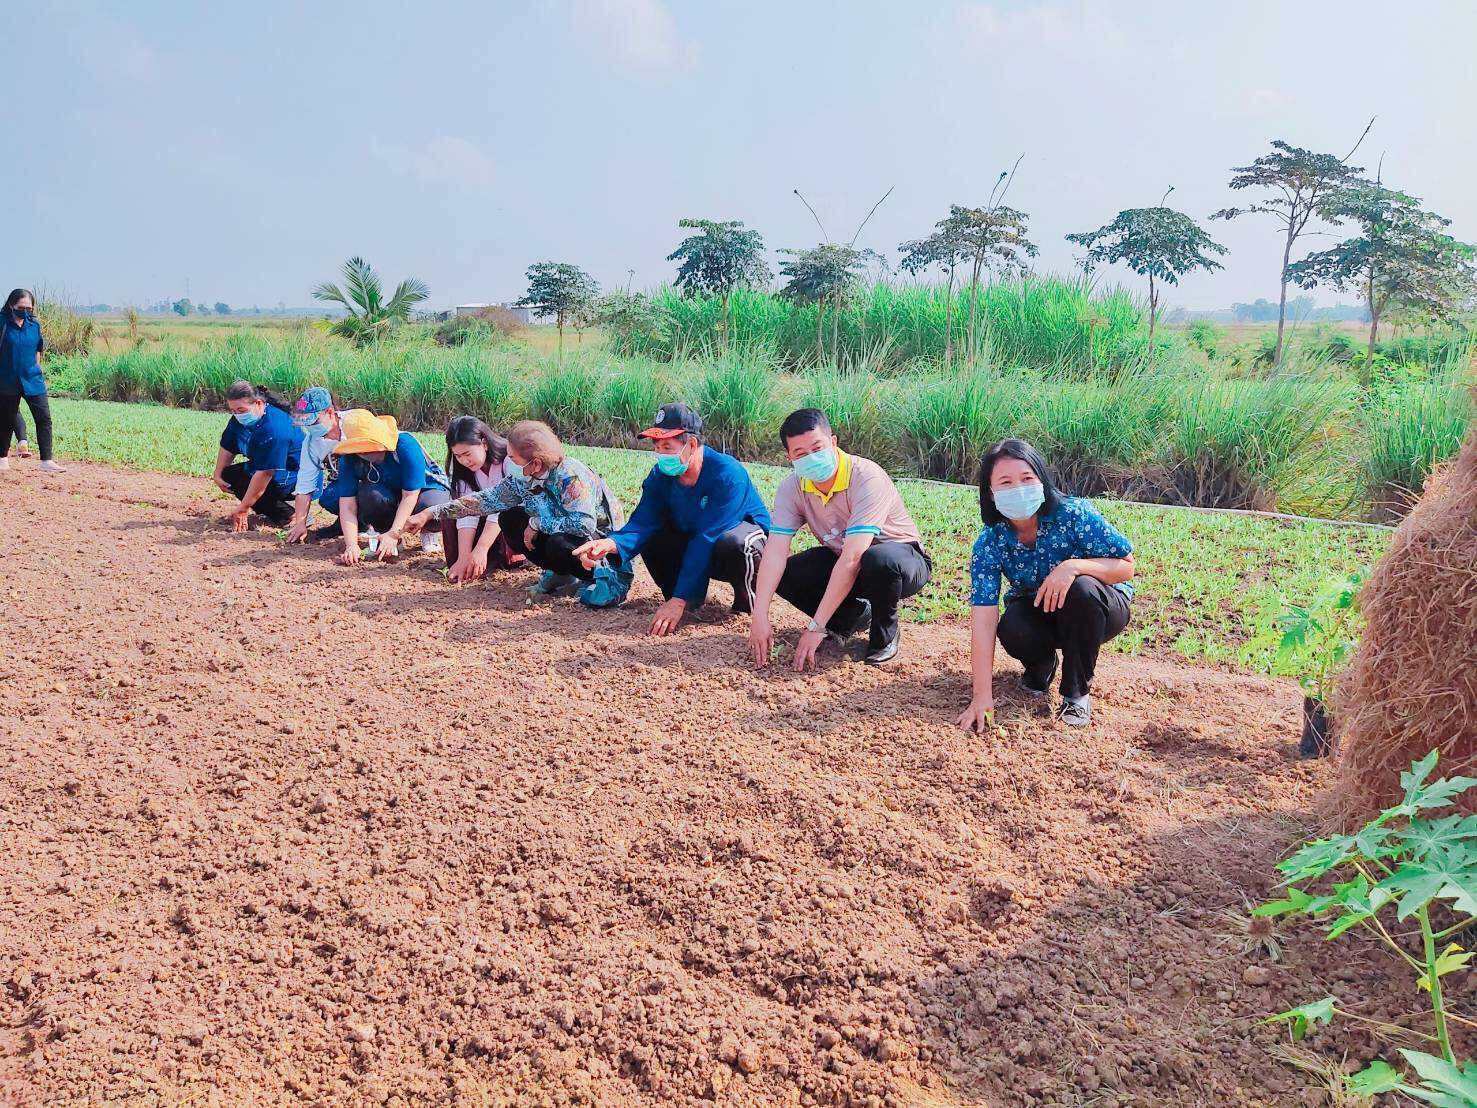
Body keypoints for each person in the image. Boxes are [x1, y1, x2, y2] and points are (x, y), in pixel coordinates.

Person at [955, 438, 1135, 732]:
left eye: (1027, 478)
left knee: (1082, 589)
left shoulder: (1074, 514)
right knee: (1012, 623)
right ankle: (1040, 665)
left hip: (1097, 607)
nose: (1018, 488)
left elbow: (1127, 566)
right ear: (991, 492)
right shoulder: (990, 541)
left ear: (1041, 479)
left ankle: (1076, 695)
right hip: (1039, 607)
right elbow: (984, 616)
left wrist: (1073, 567)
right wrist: (981, 696)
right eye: (1006, 482)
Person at [749, 408, 932, 669]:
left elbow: (854, 556)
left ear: (833, 442)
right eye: (800, 454)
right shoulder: (792, 488)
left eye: (817, 447)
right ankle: (851, 618)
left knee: (877, 559)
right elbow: (775, 551)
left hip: (899, 561)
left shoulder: (866, 477)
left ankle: (884, 636)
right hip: (844, 559)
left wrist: (815, 626)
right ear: (789, 457)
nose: (811, 458)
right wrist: (759, 614)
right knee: (787, 573)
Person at [572, 403, 770, 633]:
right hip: (698, 539)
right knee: (654, 535)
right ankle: (686, 600)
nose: (661, 454)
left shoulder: (727, 474)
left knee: (733, 544)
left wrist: (680, 598)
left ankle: (747, 603)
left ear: (692, 444)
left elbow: (708, 536)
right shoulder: (661, 476)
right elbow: (644, 521)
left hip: (740, 547)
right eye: (657, 446)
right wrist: (611, 543)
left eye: (667, 446)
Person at [405, 420, 621, 600]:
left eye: (514, 458)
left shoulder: (570, 477)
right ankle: (561, 574)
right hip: (565, 533)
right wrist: (429, 513)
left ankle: (594, 577)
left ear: (536, 463)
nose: (508, 461)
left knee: (558, 542)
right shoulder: (523, 479)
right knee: (511, 519)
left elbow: (584, 524)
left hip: (598, 540)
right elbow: (481, 502)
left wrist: (537, 524)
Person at [323, 410, 452, 565]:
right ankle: (385, 533)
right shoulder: (349, 459)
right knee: (368, 495)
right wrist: (351, 545)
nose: (366, 452)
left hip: (422, 491)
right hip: (389, 494)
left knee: (432, 505)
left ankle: (428, 532)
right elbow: (347, 504)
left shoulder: (405, 445)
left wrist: (394, 534)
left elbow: (410, 495)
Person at [439, 415, 526, 583]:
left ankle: (510, 556)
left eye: (467, 454)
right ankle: (472, 560)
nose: (464, 461)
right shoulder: (464, 472)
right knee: (451, 513)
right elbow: (467, 510)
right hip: (486, 520)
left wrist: (481, 548)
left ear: (484, 443)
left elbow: (503, 506)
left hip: (515, 518)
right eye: (457, 456)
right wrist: (463, 556)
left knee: (508, 515)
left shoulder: (510, 461)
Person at [213, 380, 303, 529]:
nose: (237, 415)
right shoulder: (239, 419)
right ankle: (270, 508)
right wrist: (217, 474)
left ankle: (291, 515)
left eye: (241, 410)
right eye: (233, 411)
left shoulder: (275, 429)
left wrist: (243, 507)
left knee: (248, 484)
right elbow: (228, 444)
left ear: (259, 403)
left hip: (292, 474)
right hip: (265, 467)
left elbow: (265, 473)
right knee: (229, 475)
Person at [0, 289, 64, 474]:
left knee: (44, 418)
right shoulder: (2, 323)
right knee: (6, 420)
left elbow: (38, 348)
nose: (26, 311)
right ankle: (2, 458)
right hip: (7, 380)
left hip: (33, 380)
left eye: (29, 308)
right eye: (22, 307)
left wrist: (37, 368)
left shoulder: (34, 325)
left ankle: (46, 460)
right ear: (11, 305)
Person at [285, 387, 347, 544]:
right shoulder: (312, 442)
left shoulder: (354, 424)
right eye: (307, 424)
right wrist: (300, 523)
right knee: (330, 497)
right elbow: (305, 484)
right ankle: (353, 524)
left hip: (374, 481)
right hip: (347, 485)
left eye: (315, 422)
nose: (311, 427)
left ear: (330, 412)